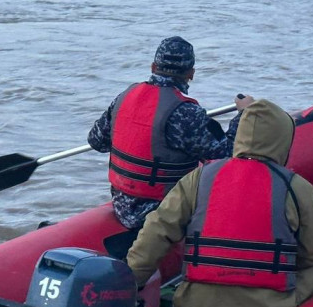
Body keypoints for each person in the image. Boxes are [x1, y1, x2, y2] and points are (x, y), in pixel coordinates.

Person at [126, 100, 313, 307]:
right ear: (284, 140)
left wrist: (129, 285)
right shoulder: (295, 186)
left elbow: (155, 233)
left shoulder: (200, 178)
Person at [88, 36, 241, 231]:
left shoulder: (124, 97)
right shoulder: (185, 112)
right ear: (191, 74)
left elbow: (96, 141)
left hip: (121, 206)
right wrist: (242, 116)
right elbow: (227, 156)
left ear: (153, 67)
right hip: (161, 210)